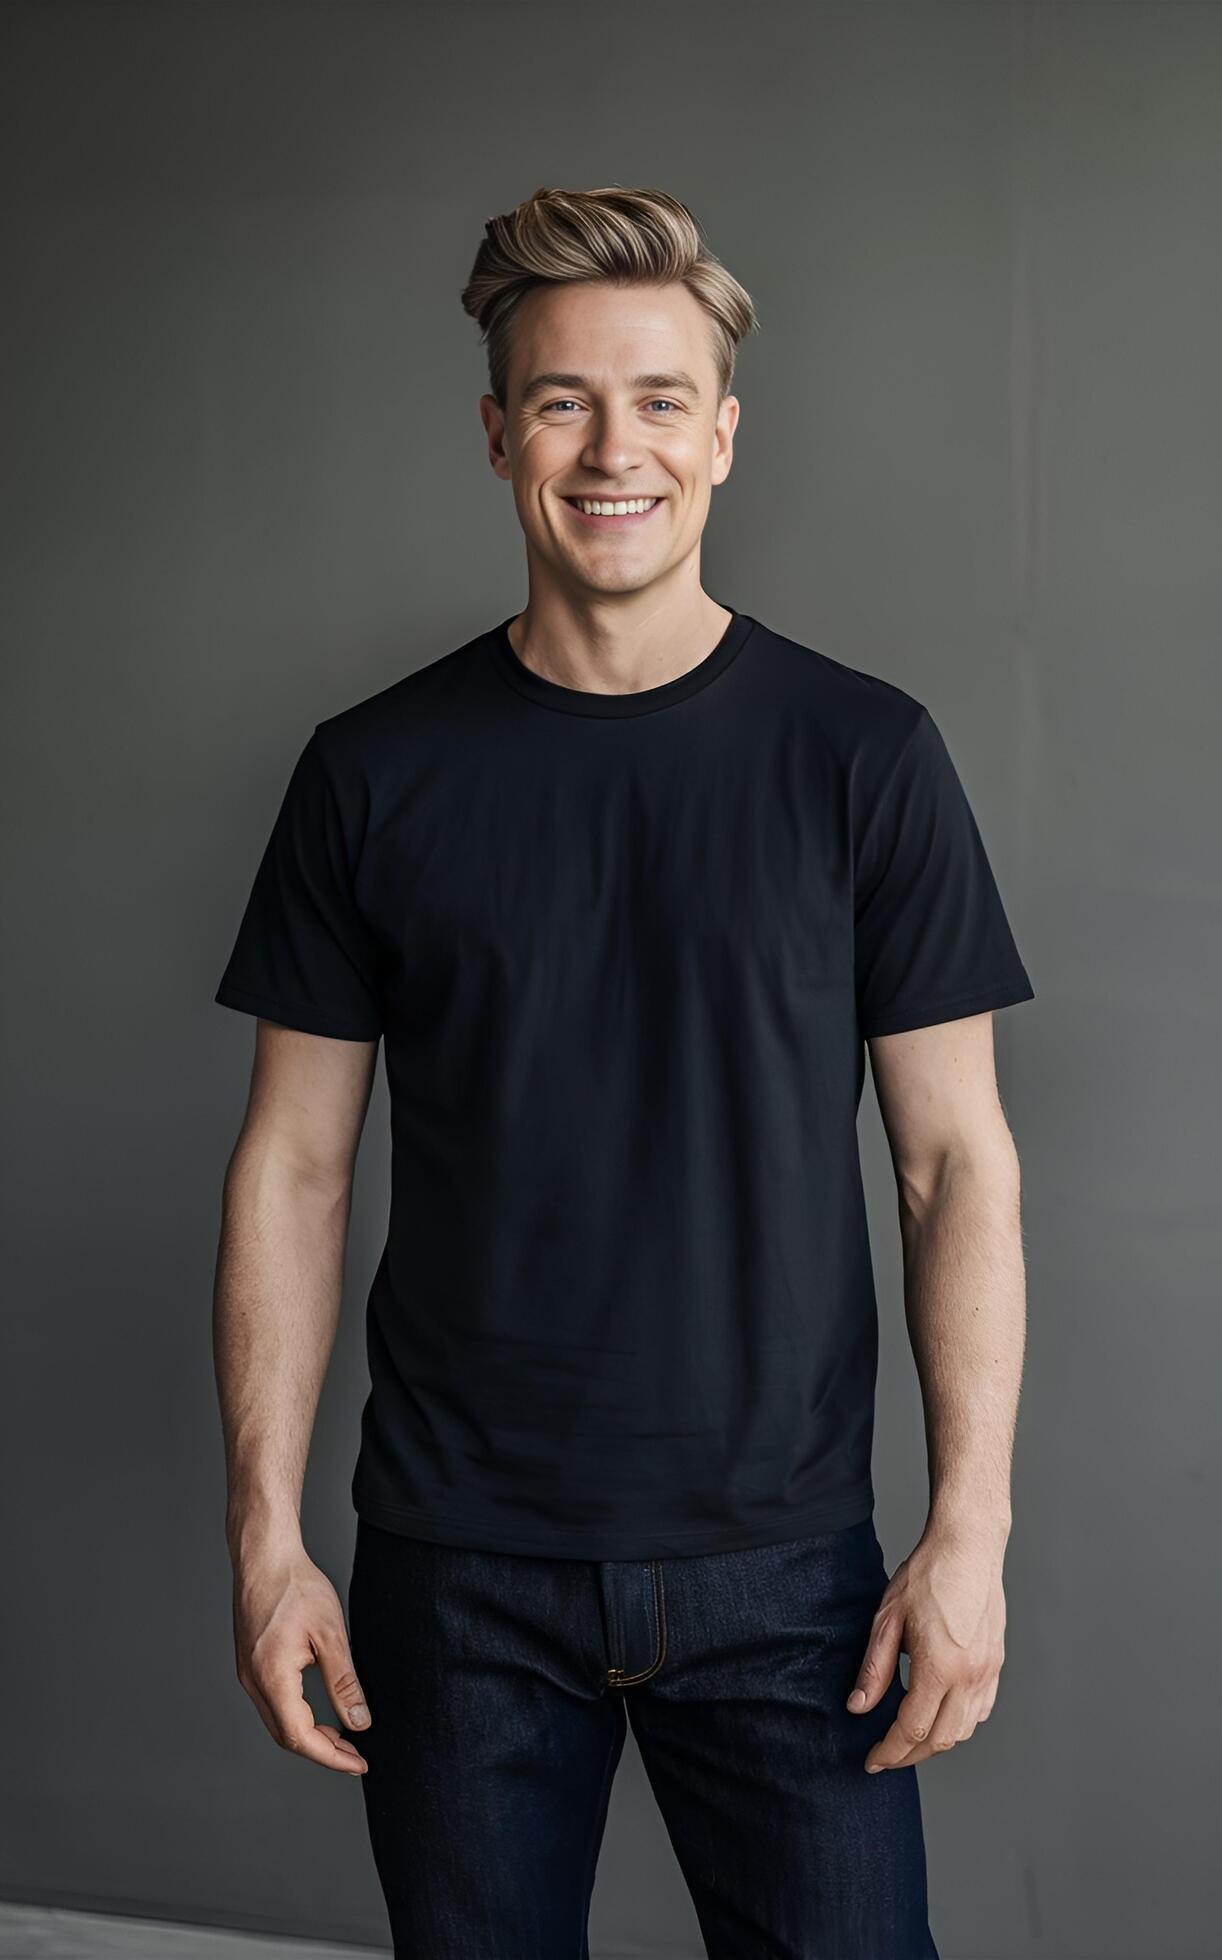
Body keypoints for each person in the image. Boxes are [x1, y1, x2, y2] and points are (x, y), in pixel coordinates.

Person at [212, 184, 1034, 1959]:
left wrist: (966, 1535)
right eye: (566, 398)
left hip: (790, 1570)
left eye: (660, 398)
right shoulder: (372, 775)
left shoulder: (863, 756)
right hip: (454, 1574)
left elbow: (952, 1163)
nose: (613, 448)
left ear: (721, 437)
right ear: (498, 430)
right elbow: (292, 1165)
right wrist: (267, 1541)